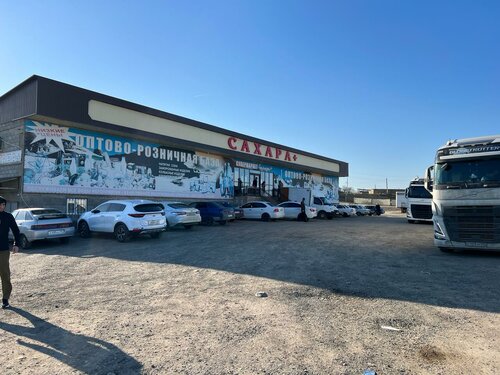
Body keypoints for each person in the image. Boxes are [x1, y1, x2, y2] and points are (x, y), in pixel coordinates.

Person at [0, 196, 20, 309]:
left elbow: (16, 230)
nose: (2, 206)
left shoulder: (8, 216)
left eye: (3, 205)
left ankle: (5, 299)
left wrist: (16, 244)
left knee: (5, 275)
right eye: (0, 204)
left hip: (3, 250)